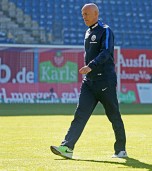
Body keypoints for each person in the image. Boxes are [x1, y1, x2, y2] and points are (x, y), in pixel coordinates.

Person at [50, 3, 127, 159]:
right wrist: (88, 71)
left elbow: (106, 52)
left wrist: (91, 66)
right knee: (80, 114)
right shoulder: (87, 32)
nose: (83, 16)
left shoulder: (105, 31)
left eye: (86, 14)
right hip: (89, 83)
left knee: (113, 115)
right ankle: (67, 147)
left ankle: (121, 150)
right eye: (82, 14)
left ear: (95, 14)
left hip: (105, 81)